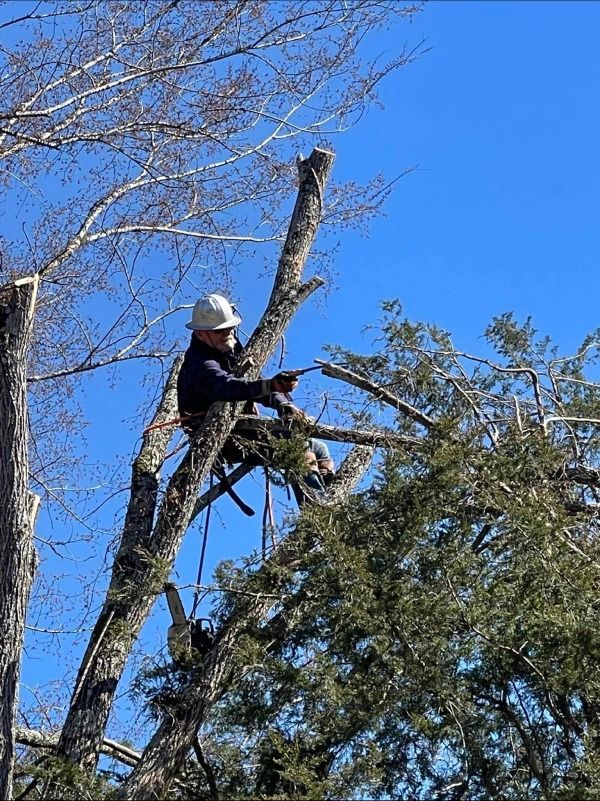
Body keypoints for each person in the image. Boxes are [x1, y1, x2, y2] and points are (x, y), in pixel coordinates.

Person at [177, 293, 334, 503]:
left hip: (244, 428)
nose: (228, 333)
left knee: (320, 448)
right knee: (298, 448)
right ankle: (317, 510)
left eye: (230, 327)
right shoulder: (199, 363)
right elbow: (226, 387)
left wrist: (282, 403)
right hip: (224, 439)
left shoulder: (229, 346)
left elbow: (253, 383)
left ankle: (327, 489)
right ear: (200, 334)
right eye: (220, 330)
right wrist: (271, 385)